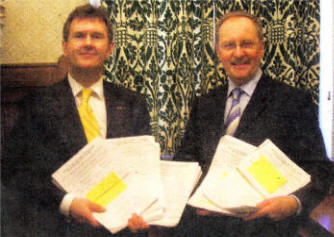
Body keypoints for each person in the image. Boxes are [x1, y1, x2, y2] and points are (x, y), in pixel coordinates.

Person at [174, 11, 334, 236]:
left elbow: (319, 168)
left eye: (247, 44)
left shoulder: (294, 102)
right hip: (203, 227)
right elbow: (186, 161)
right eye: (229, 45)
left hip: (264, 229)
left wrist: (293, 202)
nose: (239, 53)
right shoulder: (204, 104)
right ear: (218, 52)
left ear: (261, 47)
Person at [2, 4, 150, 237]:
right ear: (65, 47)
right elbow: (15, 172)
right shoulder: (37, 104)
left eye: (97, 36)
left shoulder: (133, 103)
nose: (88, 43)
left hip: (122, 230)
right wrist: (67, 203)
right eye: (79, 36)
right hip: (62, 229)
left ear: (110, 48)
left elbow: (143, 171)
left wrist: (143, 211)